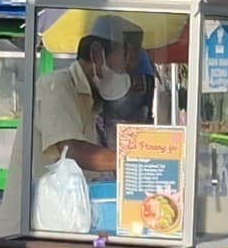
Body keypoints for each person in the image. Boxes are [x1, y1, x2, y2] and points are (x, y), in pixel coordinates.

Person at [36, 16, 154, 176]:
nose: (129, 71)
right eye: (127, 60)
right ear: (97, 55)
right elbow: (70, 151)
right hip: (35, 199)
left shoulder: (92, 103)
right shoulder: (56, 84)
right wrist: (140, 161)